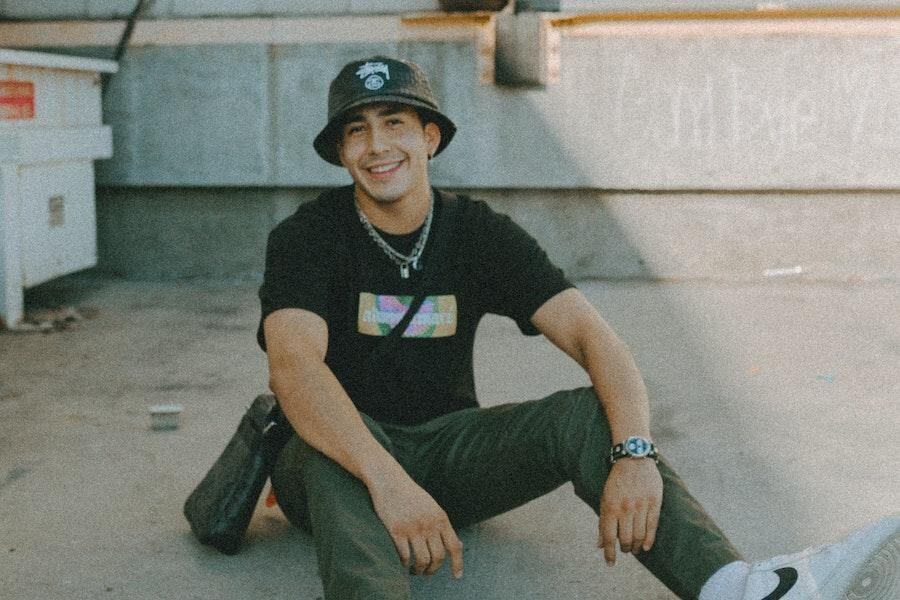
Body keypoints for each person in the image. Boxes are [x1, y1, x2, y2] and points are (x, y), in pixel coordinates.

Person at [257, 56, 898, 600]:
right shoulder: (308, 238)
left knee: (588, 416)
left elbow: (597, 341)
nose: (377, 147)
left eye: (394, 122)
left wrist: (635, 454)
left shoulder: (479, 234)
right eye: (357, 131)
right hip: (333, 456)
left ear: (429, 138)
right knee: (326, 450)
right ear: (341, 152)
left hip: (443, 449)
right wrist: (389, 482)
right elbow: (295, 368)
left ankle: (732, 586)